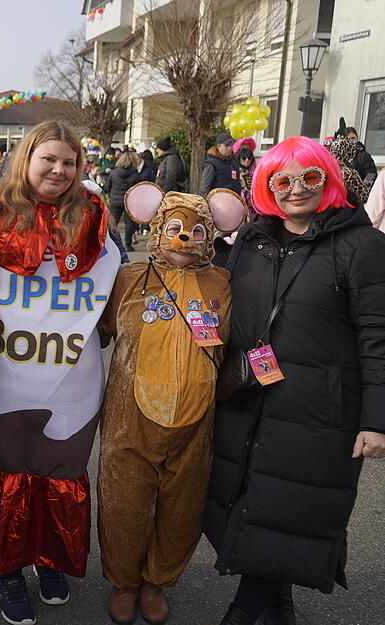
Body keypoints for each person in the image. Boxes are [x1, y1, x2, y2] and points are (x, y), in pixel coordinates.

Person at [204, 136, 385, 625]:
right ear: (266, 185)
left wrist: (377, 420)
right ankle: (278, 603)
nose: (296, 189)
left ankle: (241, 614)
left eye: (310, 177)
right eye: (281, 179)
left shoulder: (362, 244)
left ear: (328, 180)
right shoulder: (251, 239)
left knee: (291, 509)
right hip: (248, 397)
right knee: (250, 506)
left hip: (317, 412)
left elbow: (378, 338)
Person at [0, 120, 119, 625]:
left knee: (59, 472)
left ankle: (50, 559)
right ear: (26, 158)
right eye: (47, 158)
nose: (57, 169)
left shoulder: (94, 217)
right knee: (5, 474)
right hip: (4, 377)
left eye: (68, 162)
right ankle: (8, 571)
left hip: (71, 377)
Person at [97, 182, 245, 625]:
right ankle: (124, 582)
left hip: (197, 421)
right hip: (130, 418)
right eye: (176, 228)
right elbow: (93, 332)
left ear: (212, 235)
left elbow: (240, 341)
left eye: (197, 231)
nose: (185, 238)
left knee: (182, 507)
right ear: (158, 227)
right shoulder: (127, 279)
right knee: (123, 502)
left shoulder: (223, 283)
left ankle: (156, 582)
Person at [107, 151, 142, 251]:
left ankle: (110, 242)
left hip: (115, 200)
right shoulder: (135, 174)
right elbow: (139, 188)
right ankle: (128, 244)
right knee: (129, 223)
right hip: (130, 201)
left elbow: (108, 186)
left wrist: (111, 195)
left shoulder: (114, 172)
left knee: (113, 223)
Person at [328, 138, 371, 204]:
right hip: (347, 210)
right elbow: (363, 196)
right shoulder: (349, 173)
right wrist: (368, 185)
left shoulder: (328, 170)